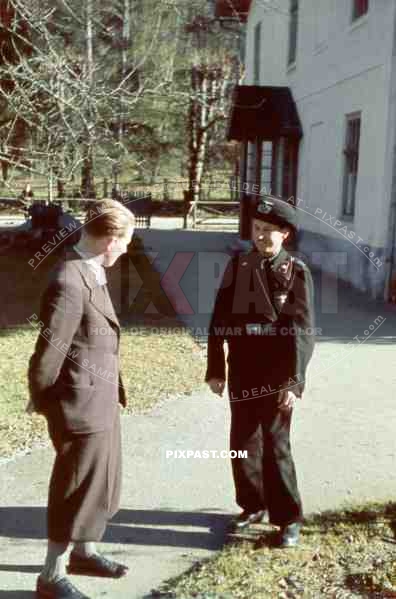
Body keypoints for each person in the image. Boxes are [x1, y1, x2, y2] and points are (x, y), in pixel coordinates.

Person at [27, 199, 135, 599]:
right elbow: (49, 350)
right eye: (125, 242)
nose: (126, 249)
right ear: (109, 240)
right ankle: (50, 576)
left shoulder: (91, 272)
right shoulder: (69, 281)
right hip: (78, 403)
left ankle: (85, 552)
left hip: (99, 396)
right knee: (75, 486)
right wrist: (42, 396)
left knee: (102, 479)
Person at [205, 195, 315, 548]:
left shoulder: (295, 271)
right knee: (242, 440)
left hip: (276, 373)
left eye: (270, 231)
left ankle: (288, 519)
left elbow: (302, 330)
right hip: (242, 369)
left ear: (285, 234)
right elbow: (219, 319)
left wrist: (293, 381)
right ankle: (252, 505)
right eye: (257, 229)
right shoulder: (239, 265)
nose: (262, 236)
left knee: (275, 443)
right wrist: (215, 368)